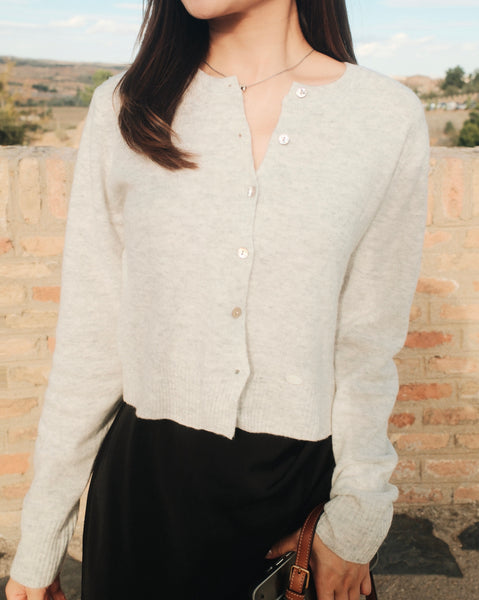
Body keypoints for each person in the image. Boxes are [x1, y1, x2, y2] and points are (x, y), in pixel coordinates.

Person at [6, 0, 430, 599]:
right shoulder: (126, 106)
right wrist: (41, 536)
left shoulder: (385, 116)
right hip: (144, 499)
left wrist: (358, 516)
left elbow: (367, 343)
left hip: (299, 498)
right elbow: (90, 341)